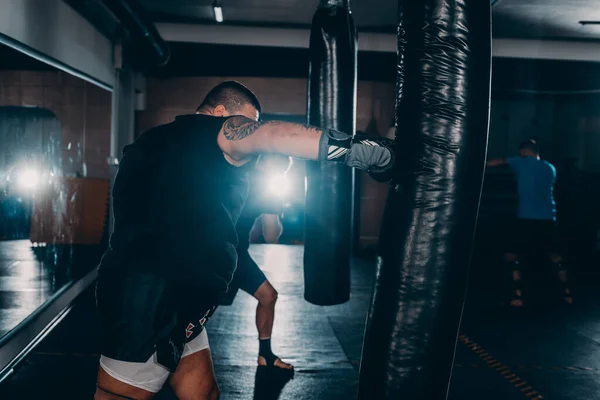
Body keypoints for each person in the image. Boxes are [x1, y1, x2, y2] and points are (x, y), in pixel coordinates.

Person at [94, 81, 393, 400]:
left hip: (175, 297)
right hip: (154, 303)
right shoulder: (213, 132)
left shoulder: (156, 142)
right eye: (248, 123)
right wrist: (369, 153)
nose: (251, 133)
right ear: (221, 113)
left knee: (204, 393)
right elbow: (274, 135)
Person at [219, 154, 294, 370]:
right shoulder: (266, 190)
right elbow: (271, 235)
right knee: (200, 308)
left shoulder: (235, 171)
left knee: (268, 296)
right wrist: (277, 210)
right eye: (281, 170)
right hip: (223, 252)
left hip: (233, 252)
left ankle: (265, 355)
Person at [487, 139, 572, 307]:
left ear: (524, 151)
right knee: (555, 256)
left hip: (527, 218)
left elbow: (495, 162)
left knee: (512, 256)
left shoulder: (521, 161)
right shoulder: (550, 168)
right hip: (548, 218)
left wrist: (476, 162)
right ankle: (567, 294)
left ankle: (517, 296)